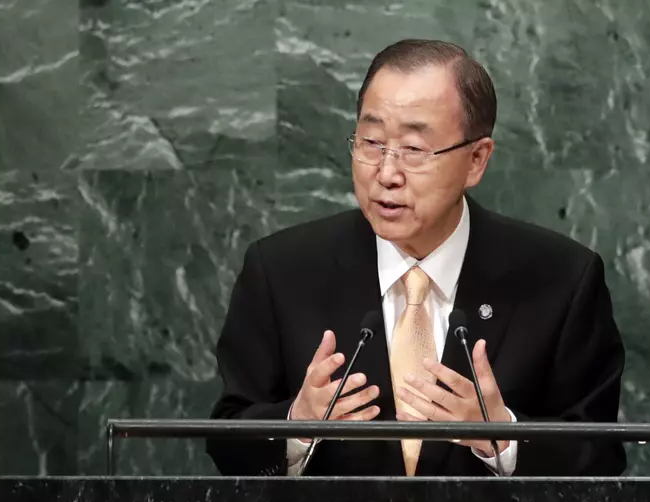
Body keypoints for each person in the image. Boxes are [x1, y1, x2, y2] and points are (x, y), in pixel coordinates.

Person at [206, 39, 626, 478]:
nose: (386, 174)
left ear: (476, 160)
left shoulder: (562, 280)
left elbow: (601, 458)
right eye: (371, 142)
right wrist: (297, 425)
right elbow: (226, 439)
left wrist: (504, 437)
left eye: (413, 149)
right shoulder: (281, 271)